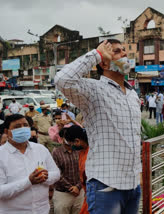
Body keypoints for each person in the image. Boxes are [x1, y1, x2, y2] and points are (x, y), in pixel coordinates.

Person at [55, 39, 141, 214]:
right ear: (104, 62)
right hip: (106, 184)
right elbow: (62, 80)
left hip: (132, 184)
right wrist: (96, 54)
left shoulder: (132, 94)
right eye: (117, 51)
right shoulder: (93, 90)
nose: (125, 54)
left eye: (125, 50)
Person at [0, 114, 60, 213]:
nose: (23, 129)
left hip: (42, 210)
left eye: (25, 125)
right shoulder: (1, 155)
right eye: (17, 126)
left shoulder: (40, 149)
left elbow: (56, 173)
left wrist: (44, 177)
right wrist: (29, 181)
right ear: (7, 131)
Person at [52, 128, 85, 214]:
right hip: (63, 193)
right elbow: (57, 172)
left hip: (79, 192)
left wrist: (78, 187)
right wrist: (70, 188)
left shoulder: (79, 150)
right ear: (62, 138)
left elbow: (83, 170)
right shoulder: (56, 152)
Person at [62, 125, 90, 214]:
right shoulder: (81, 152)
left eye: (72, 144)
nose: (72, 147)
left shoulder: (92, 152)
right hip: (87, 193)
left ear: (77, 141)